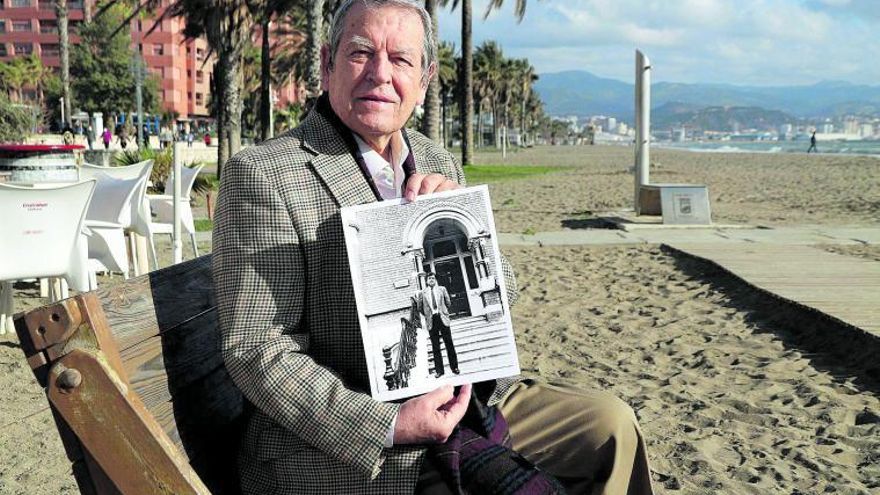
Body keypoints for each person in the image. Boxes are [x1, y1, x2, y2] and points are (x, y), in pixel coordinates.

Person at [212, 1, 654, 494]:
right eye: (361, 53)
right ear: (326, 64)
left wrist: (471, 241)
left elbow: (499, 294)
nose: (380, 74)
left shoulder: (434, 158)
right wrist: (390, 424)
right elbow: (257, 348)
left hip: (467, 396)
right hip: (356, 438)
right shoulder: (266, 174)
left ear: (423, 80)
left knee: (611, 426)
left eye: (401, 60)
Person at [417, 273, 459, 377]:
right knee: (435, 346)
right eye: (429, 278)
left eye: (433, 278)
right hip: (432, 320)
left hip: (443, 318)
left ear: (435, 280)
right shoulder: (423, 293)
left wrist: (443, 312)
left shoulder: (442, 289)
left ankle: (455, 367)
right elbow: (420, 308)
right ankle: (439, 371)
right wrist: (428, 315)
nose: (431, 280)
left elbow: (448, 303)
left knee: (449, 343)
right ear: (426, 281)